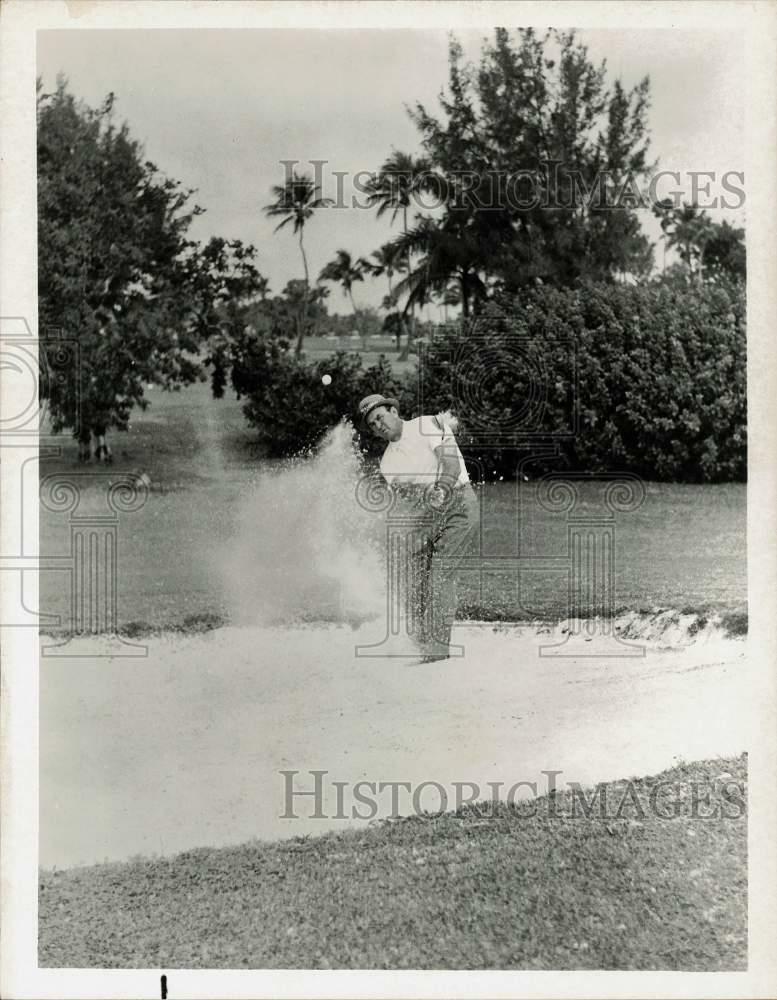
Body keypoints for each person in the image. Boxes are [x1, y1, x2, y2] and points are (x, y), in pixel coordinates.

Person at [358, 393, 480, 663]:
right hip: (425, 515)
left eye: (380, 417)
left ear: (393, 410)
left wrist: (441, 488)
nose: (378, 425)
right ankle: (421, 641)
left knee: (440, 578)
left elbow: (451, 463)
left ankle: (436, 651)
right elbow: (408, 501)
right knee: (412, 580)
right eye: (372, 425)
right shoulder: (388, 463)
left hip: (458, 504)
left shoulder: (426, 424)